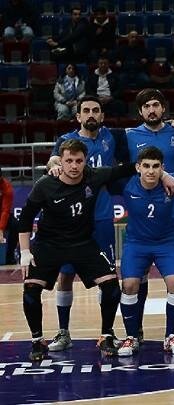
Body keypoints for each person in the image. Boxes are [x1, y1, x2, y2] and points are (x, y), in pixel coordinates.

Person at [18, 139, 136, 361]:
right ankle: (37, 340)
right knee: (31, 290)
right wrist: (25, 253)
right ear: (60, 162)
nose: (74, 166)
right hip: (48, 244)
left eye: (79, 161)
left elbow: (126, 169)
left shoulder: (94, 176)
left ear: (85, 161)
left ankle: (106, 335)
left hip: (82, 243)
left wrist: (164, 174)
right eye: (69, 161)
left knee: (111, 286)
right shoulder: (45, 184)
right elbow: (25, 219)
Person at [117, 89, 174, 343]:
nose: (152, 110)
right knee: (138, 277)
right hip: (142, 215)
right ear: (140, 111)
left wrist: (169, 175)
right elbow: (123, 167)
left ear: (163, 108)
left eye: (156, 105)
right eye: (147, 106)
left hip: (171, 216)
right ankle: (135, 329)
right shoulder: (128, 135)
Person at [45, 96, 119, 352]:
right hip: (72, 219)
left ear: (102, 115)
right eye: (86, 110)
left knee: (107, 276)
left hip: (101, 216)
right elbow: (53, 161)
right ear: (77, 116)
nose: (91, 114)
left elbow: (147, 129)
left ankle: (106, 332)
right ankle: (63, 331)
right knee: (65, 275)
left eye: (95, 110)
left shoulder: (111, 137)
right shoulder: (66, 141)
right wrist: (54, 165)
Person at [0, 170, 18, 265]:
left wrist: (1, 229)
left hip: (2, 214)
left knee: (15, 225)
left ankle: (9, 256)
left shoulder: (7, 187)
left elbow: (5, 210)